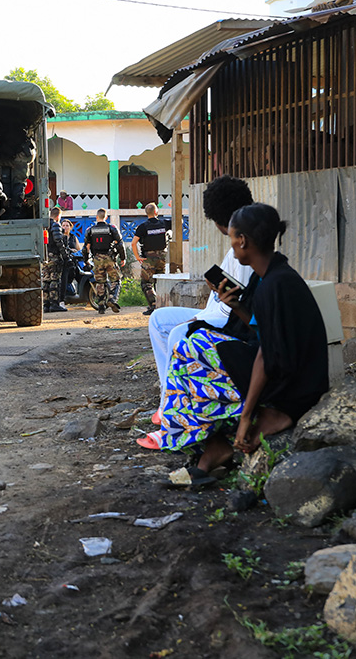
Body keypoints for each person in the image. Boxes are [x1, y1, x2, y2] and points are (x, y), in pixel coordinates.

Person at [142, 203, 329, 482]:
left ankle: (227, 434)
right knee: (194, 341)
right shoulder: (269, 275)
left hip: (292, 388)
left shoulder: (277, 284)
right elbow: (261, 328)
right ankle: (213, 445)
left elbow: (268, 353)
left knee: (194, 348)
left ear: (243, 241)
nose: (231, 244)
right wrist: (237, 306)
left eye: (231, 238)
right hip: (286, 370)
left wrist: (247, 417)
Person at [147, 176, 255, 424]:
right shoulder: (234, 247)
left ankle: (179, 410)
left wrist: (202, 316)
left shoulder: (246, 249)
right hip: (215, 312)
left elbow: (237, 306)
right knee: (159, 320)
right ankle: (169, 399)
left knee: (178, 333)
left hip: (231, 321)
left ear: (218, 222)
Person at [131, 203, 170, 315]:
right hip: (162, 257)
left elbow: (134, 243)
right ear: (156, 212)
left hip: (149, 258)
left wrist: (138, 257)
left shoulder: (143, 227)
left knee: (146, 283)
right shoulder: (164, 223)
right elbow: (179, 222)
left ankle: (153, 305)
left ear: (146, 213)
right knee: (160, 282)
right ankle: (163, 305)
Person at [84, 208, 123, 313]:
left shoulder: (90, 230)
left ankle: (101, 306)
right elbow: (120, 244)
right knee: (116, 280)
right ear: (106, 217)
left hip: (97, 259)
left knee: (100, 282)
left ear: (97, 217)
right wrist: (123, 258)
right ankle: (112, 299)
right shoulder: (111, 229)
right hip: (109, 258)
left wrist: (86, 260)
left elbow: (86, 248)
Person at [42, 207, 68, 313]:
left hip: (45, 255)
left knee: (46, 280)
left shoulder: (44, 226)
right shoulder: (55, 225)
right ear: (58, 216)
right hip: (54, 256)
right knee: (55, 279)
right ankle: (54, 303)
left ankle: (46, 304)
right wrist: (65, 255)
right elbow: (58, 240)